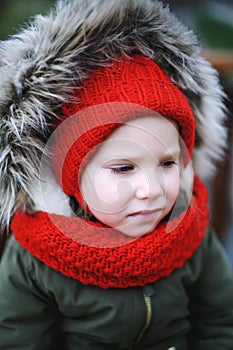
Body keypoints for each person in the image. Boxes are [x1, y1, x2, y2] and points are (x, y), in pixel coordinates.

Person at [0, 1, 233, 349]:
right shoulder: (35, 256)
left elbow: (220, 323)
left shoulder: (190, 228)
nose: (151, 190)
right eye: (123, 168)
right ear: (72, 175)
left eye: (168, 163)